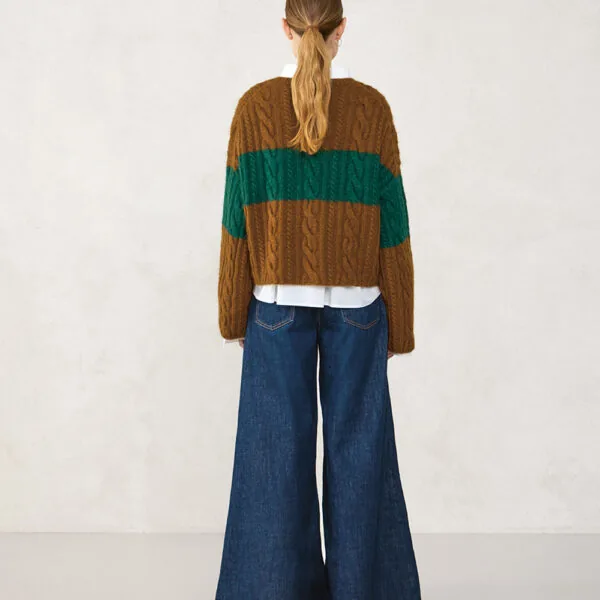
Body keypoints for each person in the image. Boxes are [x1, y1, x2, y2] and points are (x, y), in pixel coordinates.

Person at [215, 1, 421, 598]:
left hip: (275, 308)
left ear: (286, 28)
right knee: (360, 457)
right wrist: (401, 323)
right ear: (341, 31)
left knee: (274, 460)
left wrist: (232, 314)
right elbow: (393, 226)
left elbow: (235, 223)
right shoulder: (372, 109)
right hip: (359, 310)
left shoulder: (254, 108)